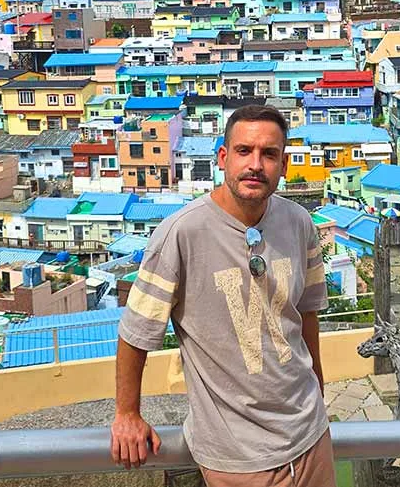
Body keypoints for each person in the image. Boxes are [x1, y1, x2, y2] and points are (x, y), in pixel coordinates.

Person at [110, 104, 333, 487]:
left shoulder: (298, 223)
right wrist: (127, 413)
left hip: (311, 436)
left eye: (269, 154)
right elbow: (136, 332)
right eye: (244, 151)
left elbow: (306, 314)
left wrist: (319, 392)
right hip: (237, 456)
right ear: (223, 158)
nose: (255, 165)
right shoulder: (181, 234)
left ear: (283, 164)